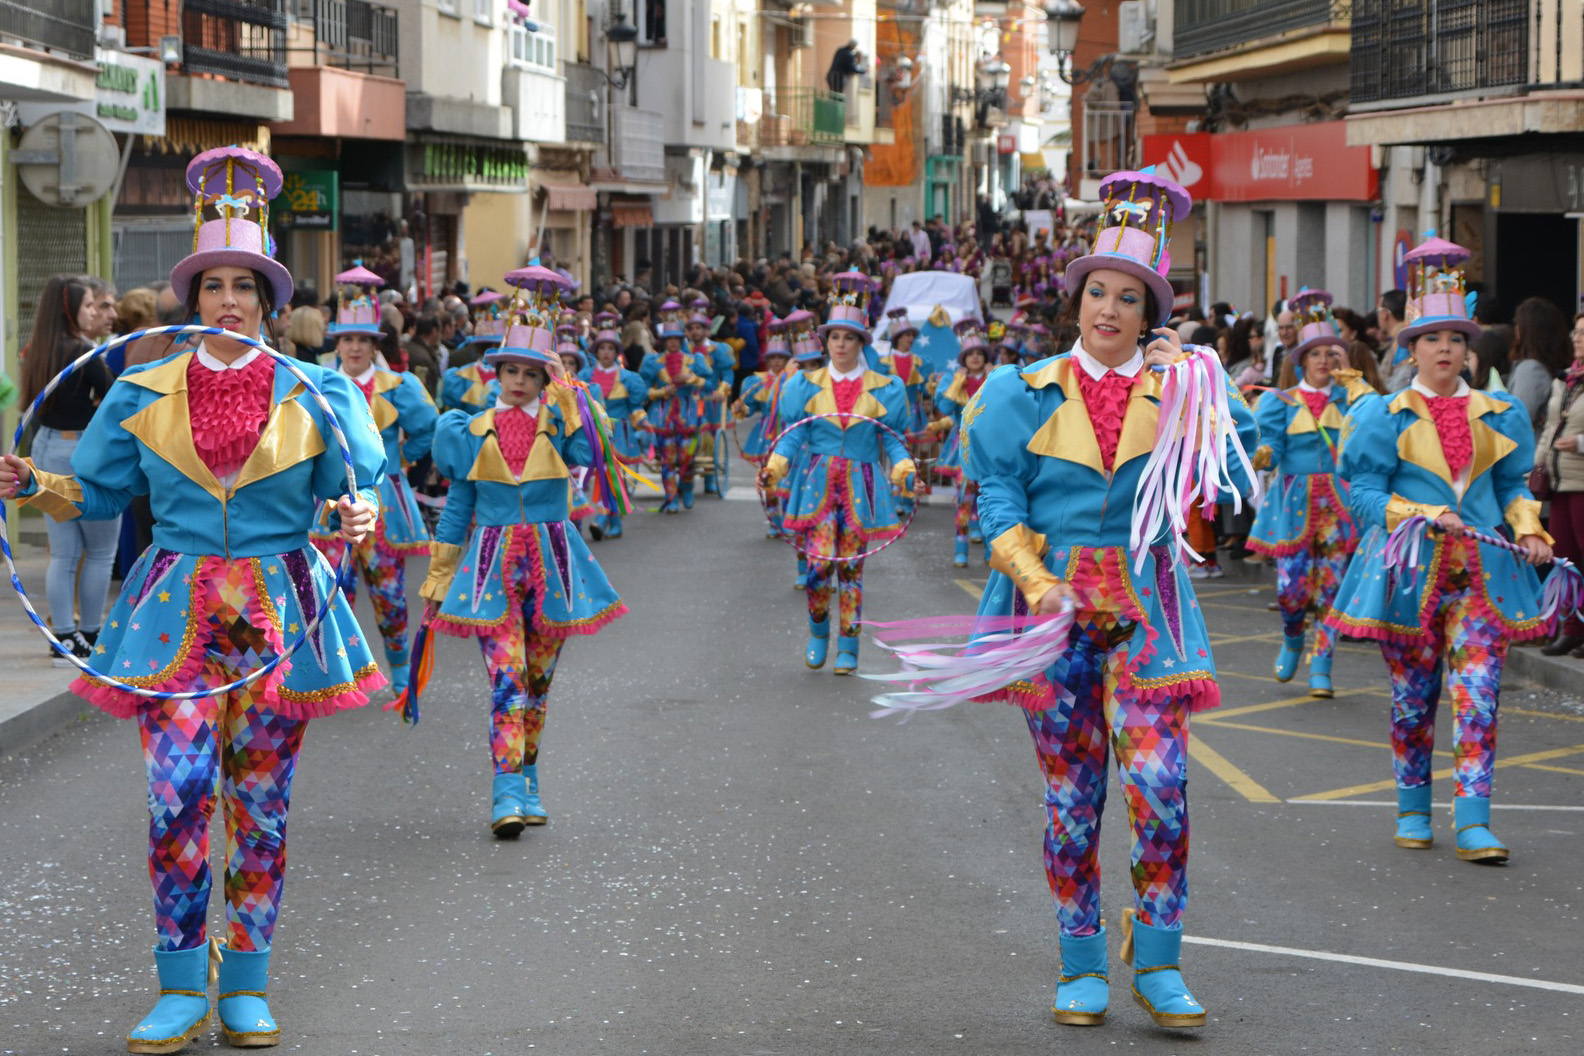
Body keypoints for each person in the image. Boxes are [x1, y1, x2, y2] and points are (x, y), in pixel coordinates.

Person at [0, 147, 384, 1052]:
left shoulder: (318, 393)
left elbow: (350, 485)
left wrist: (355, 510)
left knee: (261, 804)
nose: (227, 301)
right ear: (191, 297)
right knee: (176, 799)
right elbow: (94, 494)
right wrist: (29, 486)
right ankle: (180, 981)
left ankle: (245, 982)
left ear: (267, 301)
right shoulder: (142, 389)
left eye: (244, 285)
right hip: (174, 617)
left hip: (281, 615)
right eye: (211, 284)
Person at [960, 170, 1257, 1030]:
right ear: (1078, 299)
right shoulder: (1019, 391)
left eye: (1131, 298)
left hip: (1150, 608)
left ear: (1149, 315)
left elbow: (1227, 485)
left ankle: (1159, 961)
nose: (1111, 311)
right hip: (1051, 612)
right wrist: (1033, 575)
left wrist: (1195, 390)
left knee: (1162, 786)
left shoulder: (1185, 390)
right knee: (1072, 798)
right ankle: (1081, 959)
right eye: (1099, 292)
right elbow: (998, 497)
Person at [1327, 237, 1550, 865]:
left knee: (1478, 694)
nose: (1445, 350)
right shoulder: (1382, 414)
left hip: (1482, 576)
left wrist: (1530, 529)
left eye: (1456, 339)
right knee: (1413, 699)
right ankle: (1413, 807)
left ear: (1468, 347)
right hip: (1409, 574)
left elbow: (1512, 487)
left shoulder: (1500, 411)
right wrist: (1423, 513)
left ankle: (1474, 820)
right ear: (1412, 348)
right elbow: (1363, 493)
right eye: (1432, 339)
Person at [420, 267, 625, 837]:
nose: (516, 380)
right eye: (509, 369)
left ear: (544, 377)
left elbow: (594, 457)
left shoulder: (563, 423)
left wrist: (567, 393)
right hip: (489, 571)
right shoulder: (468, 429)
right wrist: (440, 575)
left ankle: (528, 778)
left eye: (529, 372)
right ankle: (506, 792)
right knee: (507, 678)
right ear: (497, 372)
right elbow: (459, 505)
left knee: (537, 681)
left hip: (556, 565)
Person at [758, 275, 915, 675]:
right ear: (825, 343)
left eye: (849, 337)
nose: (841, 345)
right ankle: (817, 629)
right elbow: (792, 439)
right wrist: (775, 466)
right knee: (817, 568)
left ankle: (849, 645)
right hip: (816, 485)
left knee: (850, 569)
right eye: (835, 338)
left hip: (862, 486)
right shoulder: (804, 384)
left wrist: (903, 469)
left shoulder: (885, 388)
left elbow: (893, 442)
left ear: (861, 343)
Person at [310, 270, 437, 696]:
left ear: (375, 345)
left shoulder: (398, 387)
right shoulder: (317, 384)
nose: (355, 347)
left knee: (389, 595)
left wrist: (400, 460)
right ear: (337, 343)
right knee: (331, 592)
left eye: (364, 340)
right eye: (348, 339)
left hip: (382, 502)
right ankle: (339, 675)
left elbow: (427, 429)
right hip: (330, 504)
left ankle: (400, 672)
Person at [1246, 289, 1359, 697]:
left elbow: (1370, 442)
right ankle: (1294, 639)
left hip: (1339, 505)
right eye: (1316, 355)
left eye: (1332, 354)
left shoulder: (1354, 400)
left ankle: (1322, 666)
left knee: (1332, 588)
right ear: (1302, 360)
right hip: (1293, 502)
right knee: (1291, 590)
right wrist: (1259, 455)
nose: (1324, 362)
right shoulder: (1282, 402)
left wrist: (1354, 385)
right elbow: (1271, 445)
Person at [18, 275, 120, 664]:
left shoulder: (36, 350)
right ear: (70, 310)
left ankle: (62, 636)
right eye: (90, 306)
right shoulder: (82, 351)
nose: (96, 312)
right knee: (98, 552)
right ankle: (90, 633)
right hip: (81, 449)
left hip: (45, 446)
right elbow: (116, 396)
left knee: (62, 553)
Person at [1535, 311, 1584, 655]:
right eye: (1576, 332)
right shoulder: (1564, 380)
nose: (1577, 339)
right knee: (1564, 557)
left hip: (1581, 479)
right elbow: (1550, 429)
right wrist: (1535, 467)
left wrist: (1581, 444)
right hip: (1559, 479)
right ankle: (1572, 627)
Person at [580, 314, 651, 540]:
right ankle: (614, 524)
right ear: (596, 351)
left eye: (611, 348)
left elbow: (635, 406)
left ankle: (602, 518)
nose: (607, 352)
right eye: (602, 348)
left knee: (611, 473)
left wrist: (643, 423)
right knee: (604, 476)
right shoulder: (585, 376)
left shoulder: (628, 378)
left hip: (619, 434)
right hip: (592, 433)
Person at [929, 319, 993, 567]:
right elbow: (944, 408)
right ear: (963, 358)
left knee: (990, 499)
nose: (975, 358)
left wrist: (992, 378)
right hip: (964, 448)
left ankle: (991, 551)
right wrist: (957, 383)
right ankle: (961, 548)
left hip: (991, 448)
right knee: (965, 498)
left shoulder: (996, 376)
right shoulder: (953, 380)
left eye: (979, 353)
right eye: (970, 354)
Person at [645, 300, 710, 513]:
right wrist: (661, 392)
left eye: (676, 339)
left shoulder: (693, 360)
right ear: (663, 341)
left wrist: (690, 378)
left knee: (686, 455)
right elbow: (643, 389)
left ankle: (687, 485)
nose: (672, 343)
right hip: (663, 414)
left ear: (681, 340)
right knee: (667, 458)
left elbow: (708, 383)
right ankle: (671, 497)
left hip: (687, 412)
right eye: (668, 339)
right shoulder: (654, 362)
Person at [733, 318, 792, 538]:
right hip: (766, 435)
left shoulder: (796, 380)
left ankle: (787, 519)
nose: (777, 362)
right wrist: (741, 409)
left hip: (789, 434)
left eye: (781, 358)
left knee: (787, 478)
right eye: (773, 358)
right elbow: (751, 408)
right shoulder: (758, 381)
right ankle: (773, 520)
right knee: (768, 477)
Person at [1507, 296, 1571, 434]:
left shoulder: (1530, 369)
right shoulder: (1555, 366)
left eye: (1518, 323)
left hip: (1531, 451)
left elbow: (1517, 421)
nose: (1516, 328)